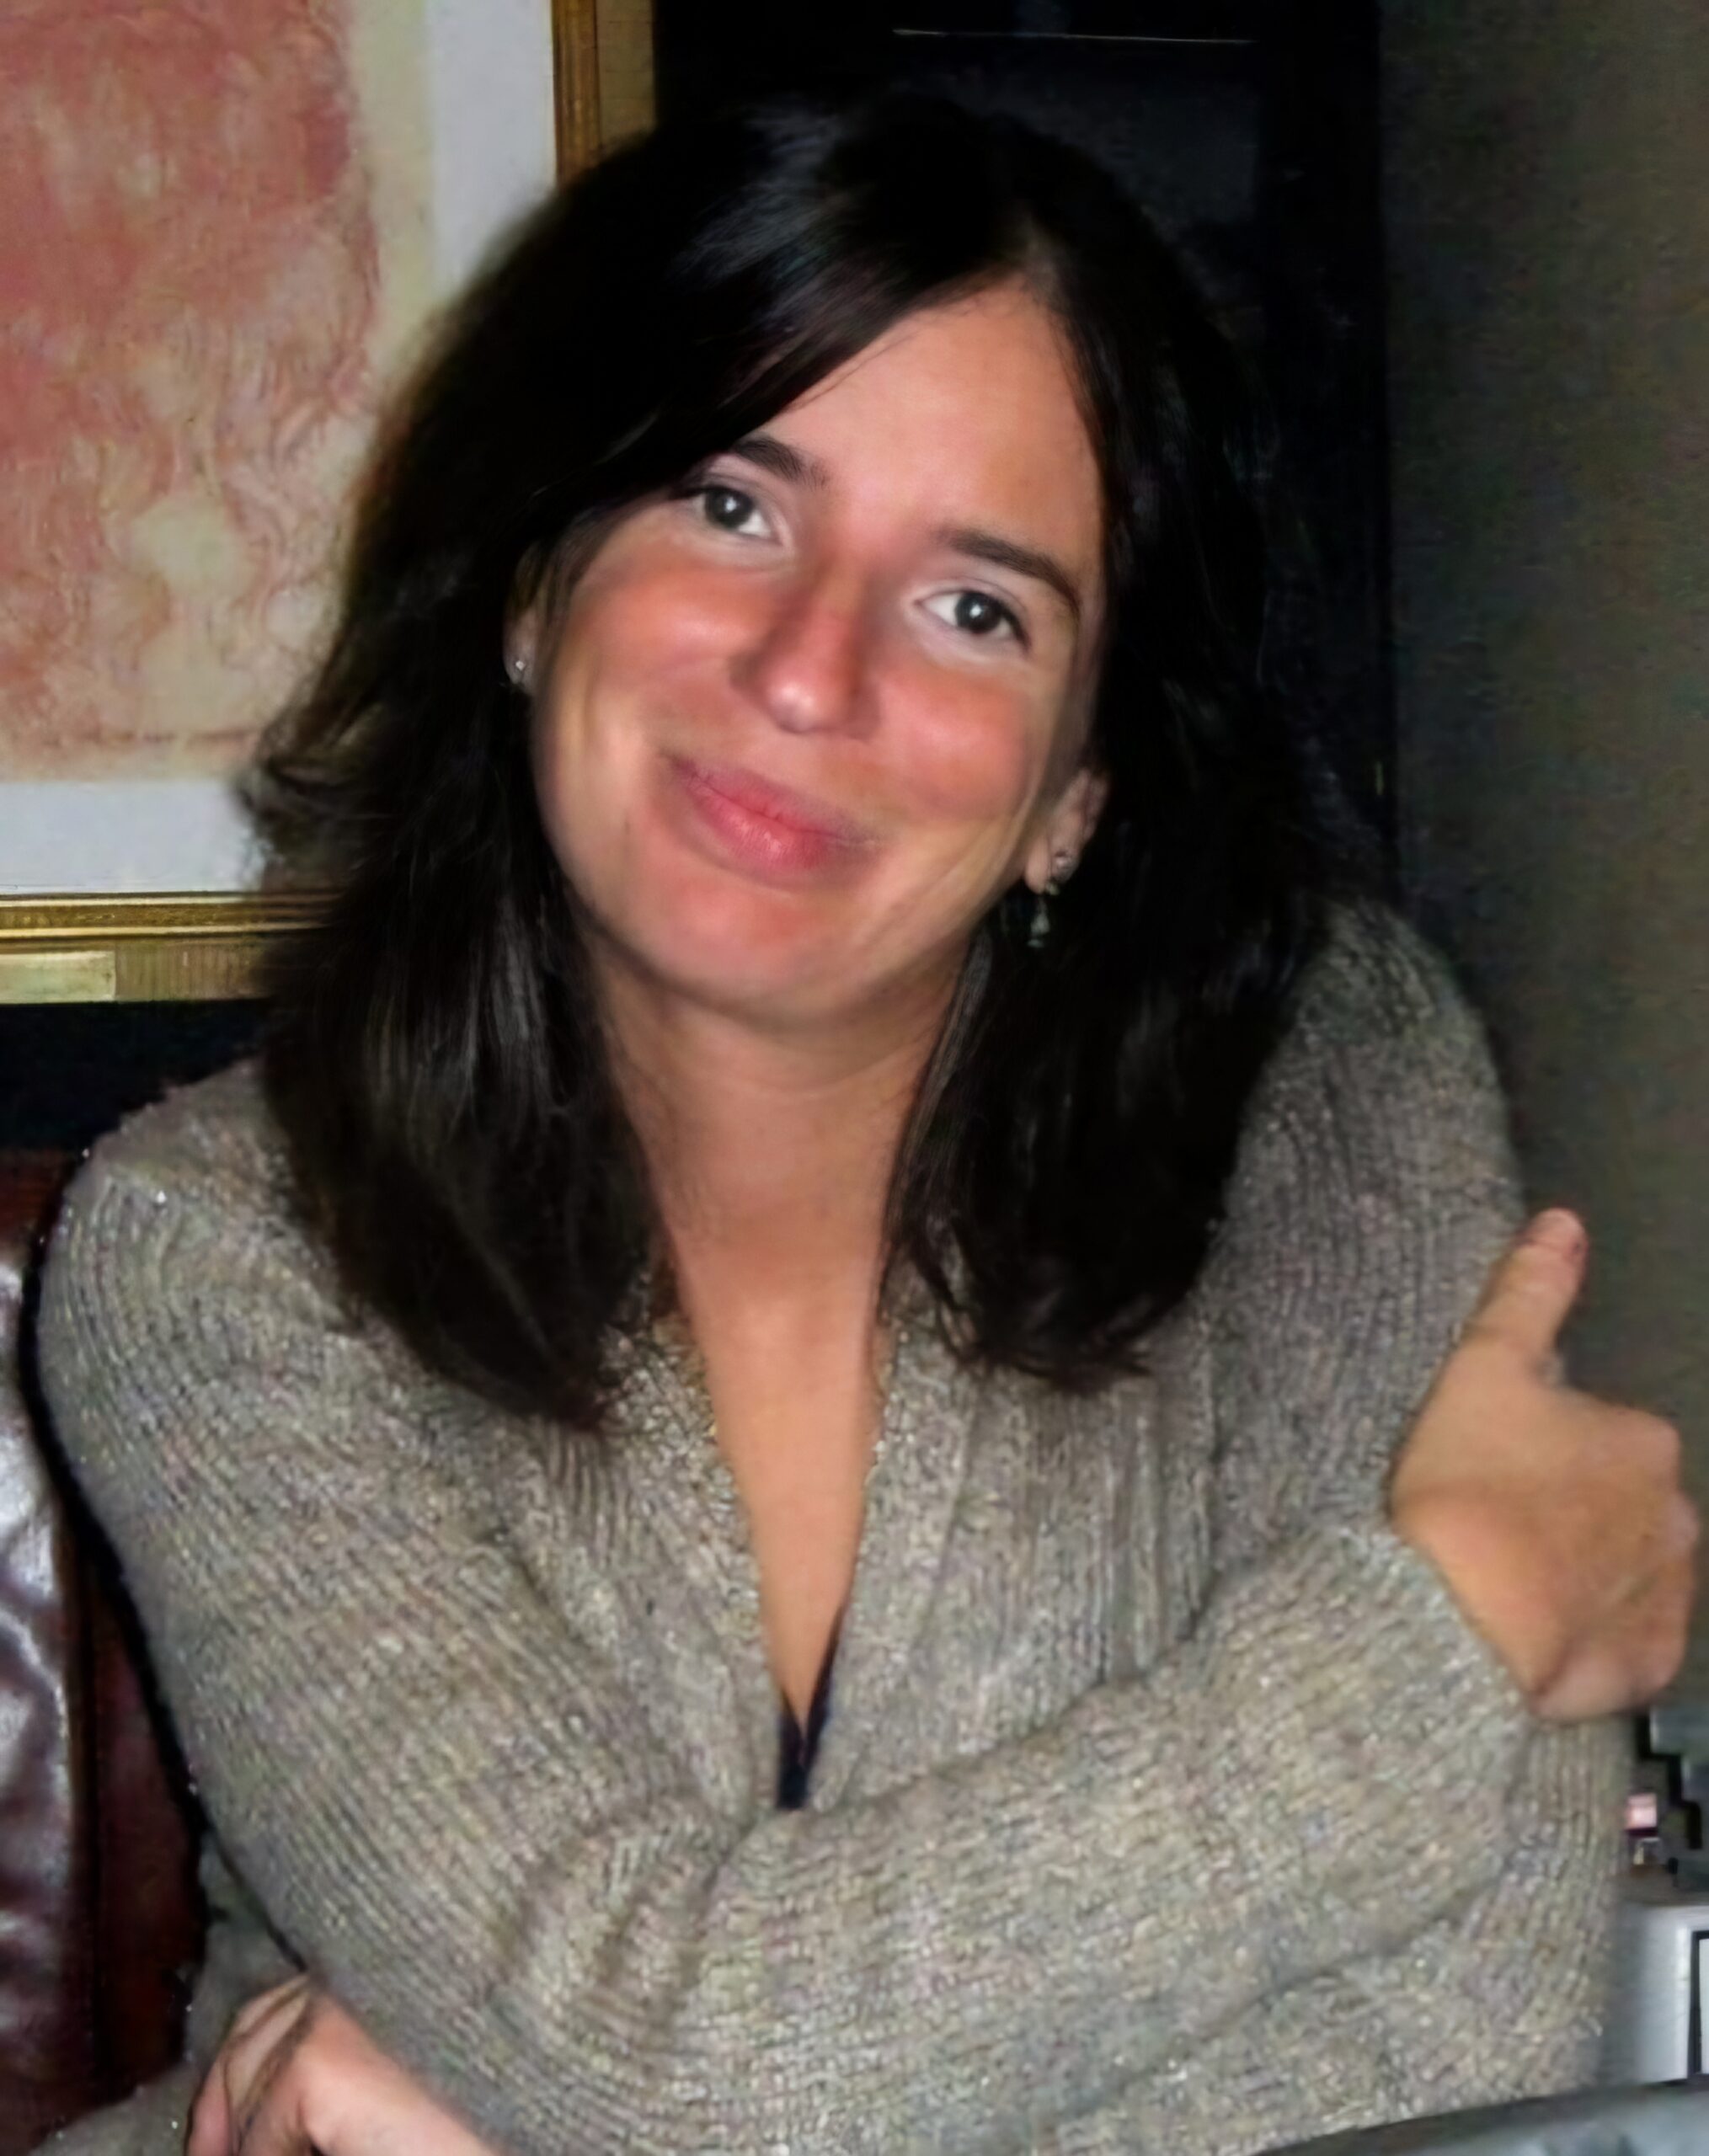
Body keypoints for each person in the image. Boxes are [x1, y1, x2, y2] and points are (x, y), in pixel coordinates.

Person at [34, 93, 1694, 2156]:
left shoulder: (1328, 1107)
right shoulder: (222, 1246)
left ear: (1077, 788)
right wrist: (1427, 1644)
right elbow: (651, 2053)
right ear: (536, 581)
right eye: (733, 504)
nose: (808, 669)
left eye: (975, 607)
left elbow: (1455, 2051)